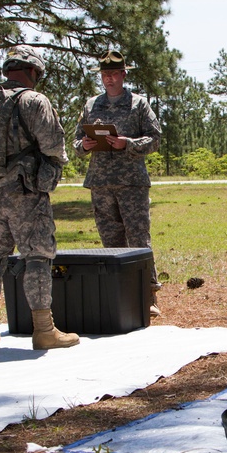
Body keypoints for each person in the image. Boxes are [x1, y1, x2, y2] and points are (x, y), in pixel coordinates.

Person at [0, 45, 79, 351]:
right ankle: (44, 330)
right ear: (33, 72)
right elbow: (54, 148)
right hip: (27, 195)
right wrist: (45, 180)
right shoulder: (35, 101)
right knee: (37, 258)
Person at [74, 50, 163, 316]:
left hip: (131, 183)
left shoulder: (138, 104)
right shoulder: (91, 105)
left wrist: (128, 143)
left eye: (114, 74)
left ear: (124, 74)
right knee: (110, 240)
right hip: (101, 183)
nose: (109, 79)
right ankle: (119, 293)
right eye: (105, 74)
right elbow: (76, 144)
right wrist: (85, 145)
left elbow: (155, 139)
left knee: (138, 238)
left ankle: (148, 295)